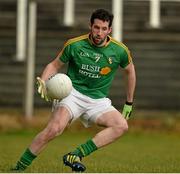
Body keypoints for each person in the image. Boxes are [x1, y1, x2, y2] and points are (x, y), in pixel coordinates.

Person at [12, 8, 136, 172]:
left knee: (121, 126)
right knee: (54, 129)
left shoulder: (119, 50)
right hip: (72, 94)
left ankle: (75, 155)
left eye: (104, 29)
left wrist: (129, 102)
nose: (100, 32)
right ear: (90, 26)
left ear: (110, 30)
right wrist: (43, 80)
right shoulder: (74, 44)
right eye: (96, 27)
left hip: (98, 100)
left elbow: (130, 71)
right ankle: (18, 169)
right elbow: (55, 65)